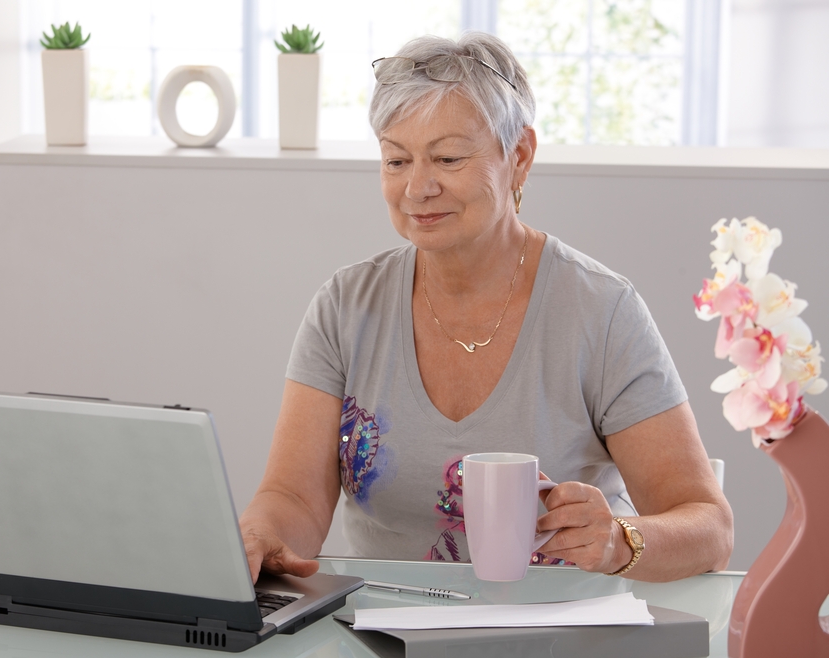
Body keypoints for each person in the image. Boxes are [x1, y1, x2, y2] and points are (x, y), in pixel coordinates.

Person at [238, 32, 733, 583]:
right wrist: (260, 535)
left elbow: (710, 529)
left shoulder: (601, 310)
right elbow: (294, 500)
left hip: (558, 636)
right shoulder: (344, 307)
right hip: (381, 632)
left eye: (448, 157)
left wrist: (621, 540)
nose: (417, 187)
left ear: (518, 155)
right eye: (396, 159)